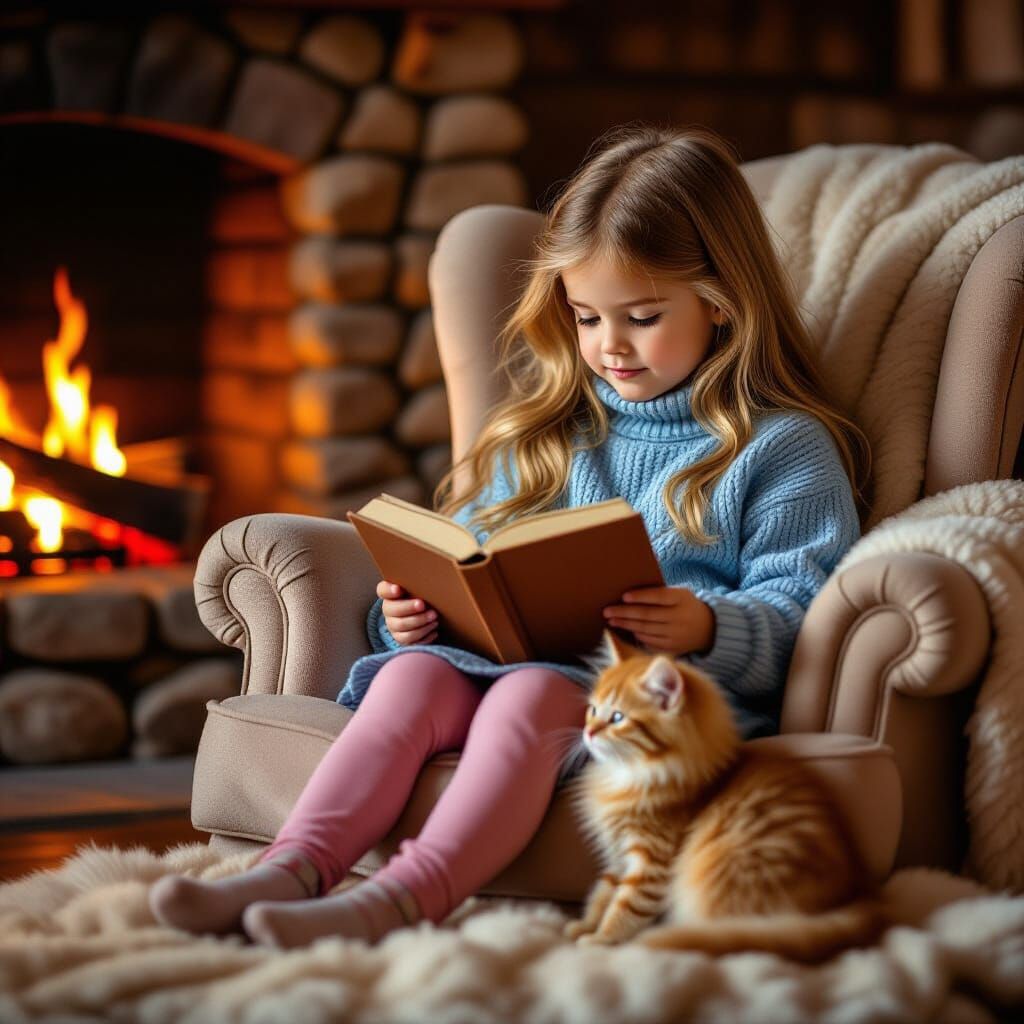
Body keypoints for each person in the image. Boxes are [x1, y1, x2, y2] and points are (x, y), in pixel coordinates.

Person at [150, 123, 871, 949]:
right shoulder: (552, 431)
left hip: (640, 700)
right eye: (587, 316)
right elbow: (472, 559)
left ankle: (398, 899)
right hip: (495, 663)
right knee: (412, 676)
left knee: (532, 694)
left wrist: (706, 625)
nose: (608, 346)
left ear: (720, 301)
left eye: (641, 316)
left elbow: (803, 609)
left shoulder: (781, 447)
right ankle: (289, 870)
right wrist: (411, 614)